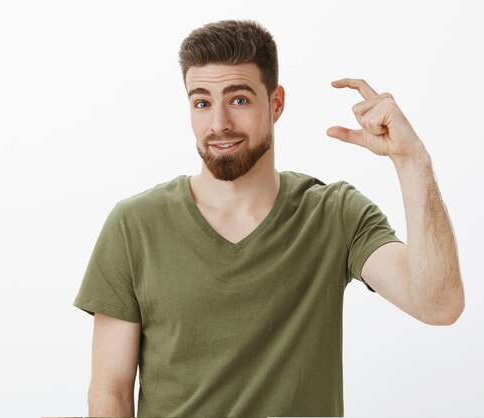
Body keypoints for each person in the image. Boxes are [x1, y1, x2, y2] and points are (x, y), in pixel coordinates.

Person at [73, 19, 465, 417]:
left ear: (276, 103)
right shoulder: (133, 225)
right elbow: (110, 393)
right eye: (202, 102)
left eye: (238, 99)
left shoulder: (334, 215)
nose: (219, 123)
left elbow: (439, 304)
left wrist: (412, 160)